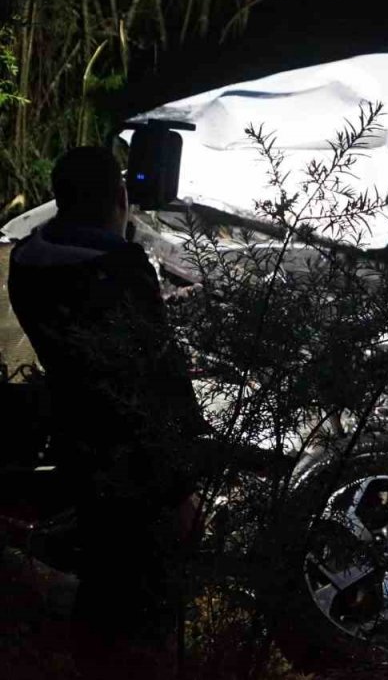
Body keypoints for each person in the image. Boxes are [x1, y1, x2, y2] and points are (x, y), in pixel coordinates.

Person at [7, 146, 204, 658]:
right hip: (134, 458)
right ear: (120, 197)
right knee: (143, 589)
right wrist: (185, 476)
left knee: (103, 575)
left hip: (76, 434)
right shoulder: (118, 267)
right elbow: (157, 374)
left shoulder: (25, 260)